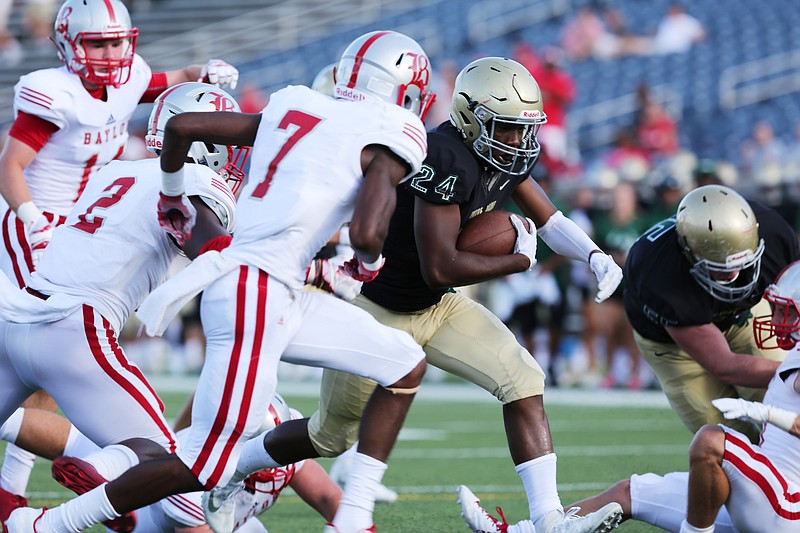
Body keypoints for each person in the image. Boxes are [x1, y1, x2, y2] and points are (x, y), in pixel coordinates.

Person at [8, 30, 434, 533]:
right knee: (195, 469)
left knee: (404, 361)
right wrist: (359, 267)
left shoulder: (118, 170)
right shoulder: (387, 129)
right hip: (157, 312)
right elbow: (232, 248)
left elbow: (184, 129)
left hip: (20, 311)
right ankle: (52, 520)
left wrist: (171, 191)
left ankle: (353, 514)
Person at [272, 56, 625, 533]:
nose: (519, 141)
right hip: (377, 307)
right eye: (507, 129)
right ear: (470, 119)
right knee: (330, 436)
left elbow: (548, 218)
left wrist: (594, 256)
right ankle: (239, 462)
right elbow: (440, 267)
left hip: (436, 309)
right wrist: (518, 261)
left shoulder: (503, 151)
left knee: (523, 378)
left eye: (524, 129)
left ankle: (549, 518)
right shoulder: (442, 155)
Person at [0, 0, 238, 517]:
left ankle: (19, 491)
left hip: (75, 231)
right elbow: (11, 164)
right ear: (66, 45)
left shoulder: (127, 104)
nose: (110, 55)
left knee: (34, 363)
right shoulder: (54, 93)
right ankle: (59, 481)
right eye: (97, 44)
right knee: (45, 357)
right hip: (35, 226)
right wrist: (33, 217)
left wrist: (203, 73)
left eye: (116, 42)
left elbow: (171, 86)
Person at [520, 259, 800, 532]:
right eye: (775, 310)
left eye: (787, 312)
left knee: (712, 440)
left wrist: (765, 413)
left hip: (787, 506)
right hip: (764, 489)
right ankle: (535, 530)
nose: (775, 320)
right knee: (628, 493)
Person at [624, 184, 799, 443]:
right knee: (724, 439)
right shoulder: (658, 273)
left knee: (787, 406)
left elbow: (792, 295)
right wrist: (794, 372)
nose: (731, 275)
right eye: (717, 268)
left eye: (742, 264)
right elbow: (724, 365)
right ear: (687, 250)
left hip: (743, 314)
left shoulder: (774, 234)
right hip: (674, 344)